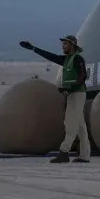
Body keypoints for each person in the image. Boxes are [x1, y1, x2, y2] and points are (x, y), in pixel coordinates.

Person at [19, 35, 91, 163]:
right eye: (63, 44)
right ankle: (85, 155)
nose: (62, 46)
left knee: (70, 124)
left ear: (72, 45)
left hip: (77, 94)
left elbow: (83, 75)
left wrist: (71, 88)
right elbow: (51, 56)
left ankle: (64, 152)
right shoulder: (67, 59)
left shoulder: (77, 59)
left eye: (65, 44)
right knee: (80, 125)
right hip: (71, 94)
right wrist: (33, 48)